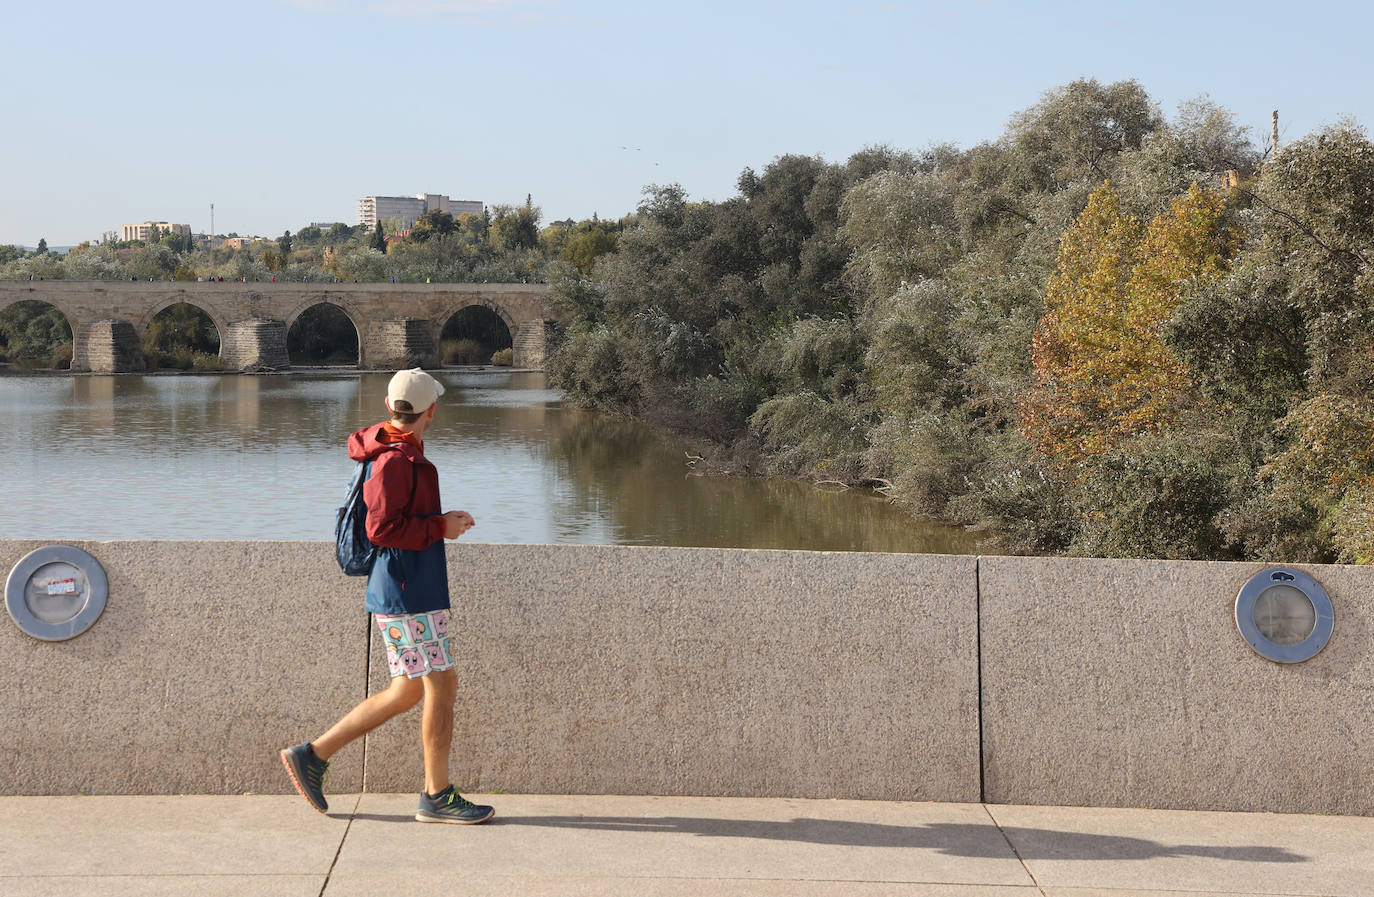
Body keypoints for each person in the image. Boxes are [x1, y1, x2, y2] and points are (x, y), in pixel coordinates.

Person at [280, 368, 493, 824]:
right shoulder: (395, 461)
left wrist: (440, 523)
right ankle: (436, 794)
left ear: (390, 408)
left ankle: (314, 754)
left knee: (409, 689)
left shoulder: (400, 451)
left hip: (408, 585)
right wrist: (443, 526)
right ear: (430, 411)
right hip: (406, 589)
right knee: (439, 685)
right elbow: (382, 529)